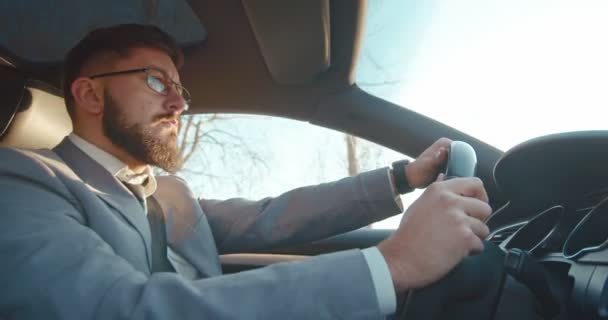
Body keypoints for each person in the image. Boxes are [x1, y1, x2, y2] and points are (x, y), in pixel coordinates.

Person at [0, 24, 491, 319]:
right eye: (156, 81)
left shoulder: (168, 193)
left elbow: (272, 216)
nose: (177, 104)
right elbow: (115, 312)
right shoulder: (24, 182)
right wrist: (393, 265)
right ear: (88, 95)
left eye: (180, 90)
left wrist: (402, 179)